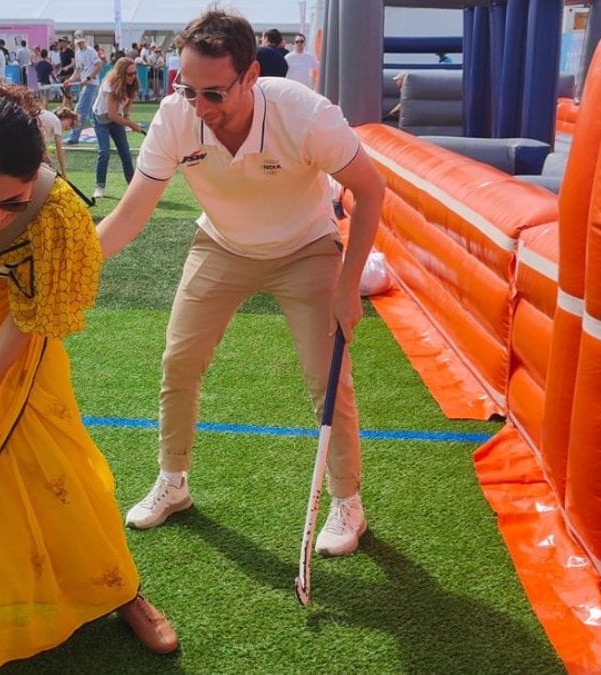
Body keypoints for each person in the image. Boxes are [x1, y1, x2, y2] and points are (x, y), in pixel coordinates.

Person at [0, 81, 178, 673]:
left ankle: (119, 589)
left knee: (58, 457)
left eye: (13, 203)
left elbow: (30, 319)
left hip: (16, 320)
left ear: (40, 174)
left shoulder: (60, 213)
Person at [97, 8, 384, 556]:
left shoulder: (305, 114)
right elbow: (132, 213)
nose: (200, 108)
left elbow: (370, 191)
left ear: (251, 76)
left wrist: (348, 285)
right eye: (188, 90)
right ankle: (173, 480)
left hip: (306, 249)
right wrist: (78, 262)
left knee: (327, 377)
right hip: (222, 245)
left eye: (214, 93)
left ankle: (347, 501)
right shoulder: (175, 118)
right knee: (178, 361)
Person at [92, 57, 143, 199]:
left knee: (125, 152)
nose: (133, 77)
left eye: (135, 73)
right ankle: (99, 186)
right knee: (104, 152)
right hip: (101, 119)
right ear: (121, 74)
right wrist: (131, 124)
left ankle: (133, 187)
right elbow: (112, 115)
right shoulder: (109, 84)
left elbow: (128, 101)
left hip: (116, 119)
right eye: (129, 74)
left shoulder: (132, 83)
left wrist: (127, 115)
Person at [62, 32, 100, 144]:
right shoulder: (77, 53)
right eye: (78, 42)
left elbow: (98, 65)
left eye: (81, 42)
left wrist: (88, 78)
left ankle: (74, 137)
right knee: (93, 113)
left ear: (85, 40)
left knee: (80, 110)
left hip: (91, 84)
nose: (80, 44)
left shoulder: (91, 51)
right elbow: (78, 71)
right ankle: (103, 136)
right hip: (86, 84)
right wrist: (70, 80)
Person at [39, 105, 78, 178]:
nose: (69, 128)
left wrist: (47, 158)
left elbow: (40, 144)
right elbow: (59, 150)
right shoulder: (56, 122)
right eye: (71, 123)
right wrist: (63, 172)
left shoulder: (49, 121)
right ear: (65, 117)